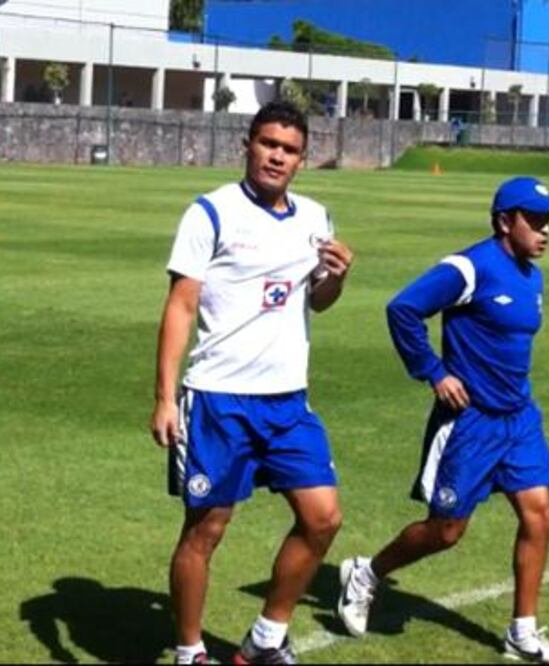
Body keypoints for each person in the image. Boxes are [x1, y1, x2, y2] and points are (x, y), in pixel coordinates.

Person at [336, 176, 549, 664]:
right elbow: (403, 308)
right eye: (535, 219)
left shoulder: (532, 274)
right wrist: (434, 372)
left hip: (519, 418)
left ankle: (522, 634)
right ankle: (366, 573)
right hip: (470, 424)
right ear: (504, 221)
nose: (545, 229)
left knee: (540, 514)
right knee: (446, 531)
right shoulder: (469, 267)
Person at [150, 101, 354, 665]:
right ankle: (190, 652)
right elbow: (180, 306)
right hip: (218, 400)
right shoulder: (210, 213)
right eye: (268, 144)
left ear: (302, 159)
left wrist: (336, 277)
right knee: (207, 529)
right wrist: (165, 398)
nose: (276, 157)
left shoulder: (316, 217)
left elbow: (320, 300)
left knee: (323, 518)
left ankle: (265, 639)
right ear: (247, 144)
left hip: (288, 400)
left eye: (288, 150)